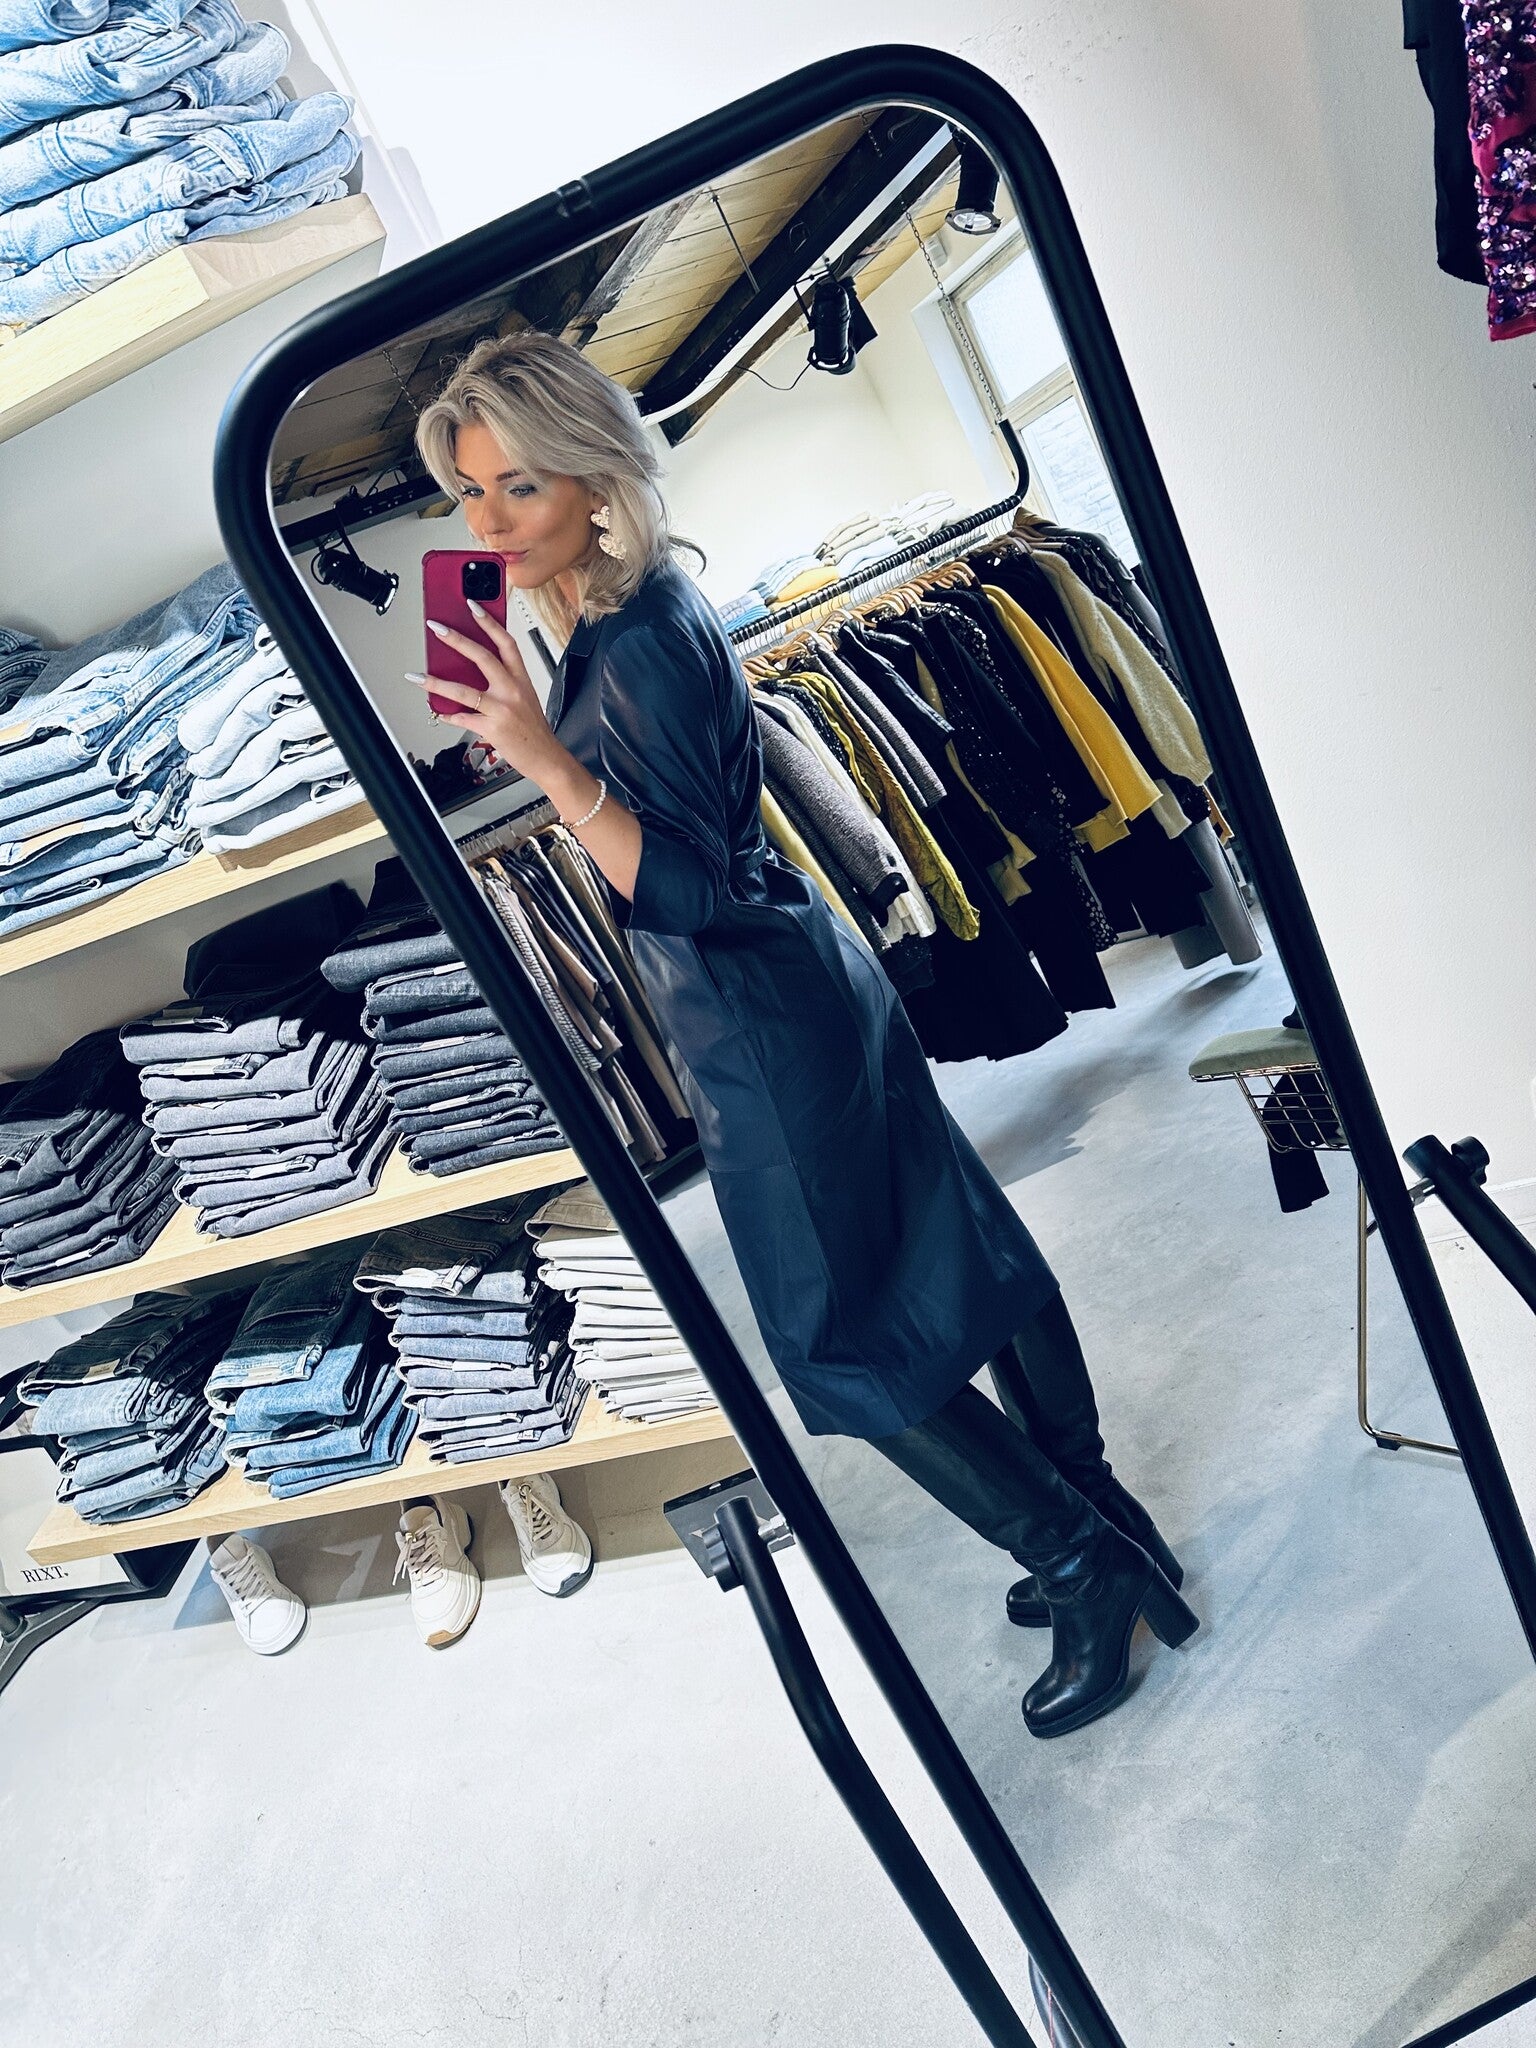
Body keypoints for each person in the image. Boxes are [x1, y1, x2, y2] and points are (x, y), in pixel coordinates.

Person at [406, 333, 1197, 1738]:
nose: (489, 524)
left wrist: (544, 764)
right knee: (954, 1234)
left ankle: (1083, 1562)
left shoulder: (635, 644)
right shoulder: (636, 606)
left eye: (517, 487)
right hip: (805, 980)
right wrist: (545, 735)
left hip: (759, 1022)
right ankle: (1097, 1509)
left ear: (593, 478)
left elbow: (688, 888)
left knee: (835, 1344)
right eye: (469, 494)